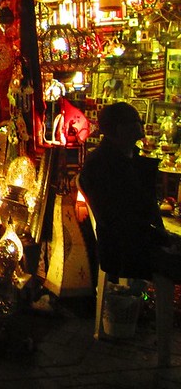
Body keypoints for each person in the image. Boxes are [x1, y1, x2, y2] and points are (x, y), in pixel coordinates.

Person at [78, 101, 180, 365]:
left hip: (137, 237)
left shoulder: (127, 159)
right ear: (118, 129)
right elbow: (121, 217)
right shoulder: (104, 166)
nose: (140, 126)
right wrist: (161, 239)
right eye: (134, 121)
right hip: (124, 247)